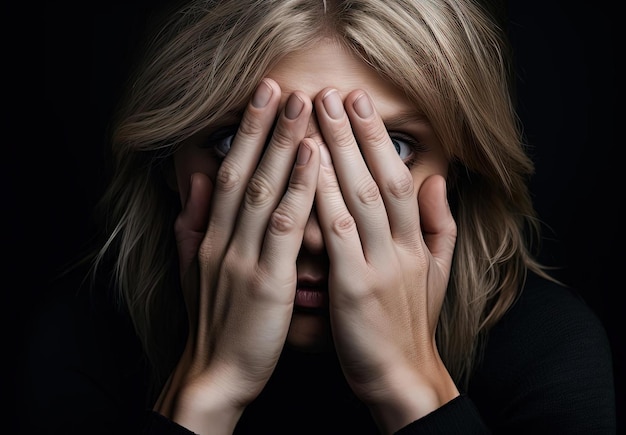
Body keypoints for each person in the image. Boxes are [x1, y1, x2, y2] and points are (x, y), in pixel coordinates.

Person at [23, 0, 616, 433]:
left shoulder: (547, 347)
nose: (308, 230)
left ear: (461, 167)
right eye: (239, 143)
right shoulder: (80, 339)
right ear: (168, 162)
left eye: (390, 147)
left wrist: (411, 388)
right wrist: (207, 393)